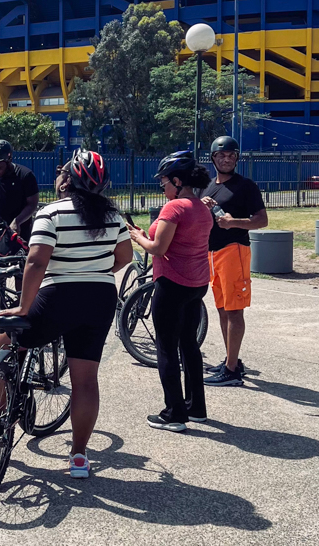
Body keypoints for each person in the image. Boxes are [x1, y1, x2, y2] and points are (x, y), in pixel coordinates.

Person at [0, 149, 133, 478]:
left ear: (66, 181)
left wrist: (24, 307)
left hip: (58, 295)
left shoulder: (51, 213)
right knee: (85, 382)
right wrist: (96, 271)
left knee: (7, 339)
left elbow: (37, 262)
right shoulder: (113, 215)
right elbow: (125, 256)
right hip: (100, 297)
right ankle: (80, 456)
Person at [128, 151, 214, 432]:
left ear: (177, 181)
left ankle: (174, 413)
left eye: (163, 182)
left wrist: (138, 236)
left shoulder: (174, 208)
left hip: (172, 282)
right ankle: (196, 407)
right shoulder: (202, 208)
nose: (162, 188)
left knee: (165, 347)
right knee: (189, 343)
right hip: (197, 283)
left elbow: (157, 248)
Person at [199, 136, 268, 387]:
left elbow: (262, 220)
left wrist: (234, 222)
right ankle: (232, 360)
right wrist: (201, 204)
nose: (226, 159)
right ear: (213, 158)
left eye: (231, 155)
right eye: (221, 155)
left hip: (234, 250)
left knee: (234, 310)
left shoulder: (245, 186)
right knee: (222, 308)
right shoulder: (208, 186)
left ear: (237, 158)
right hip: (213, 253)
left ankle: (231, 372)